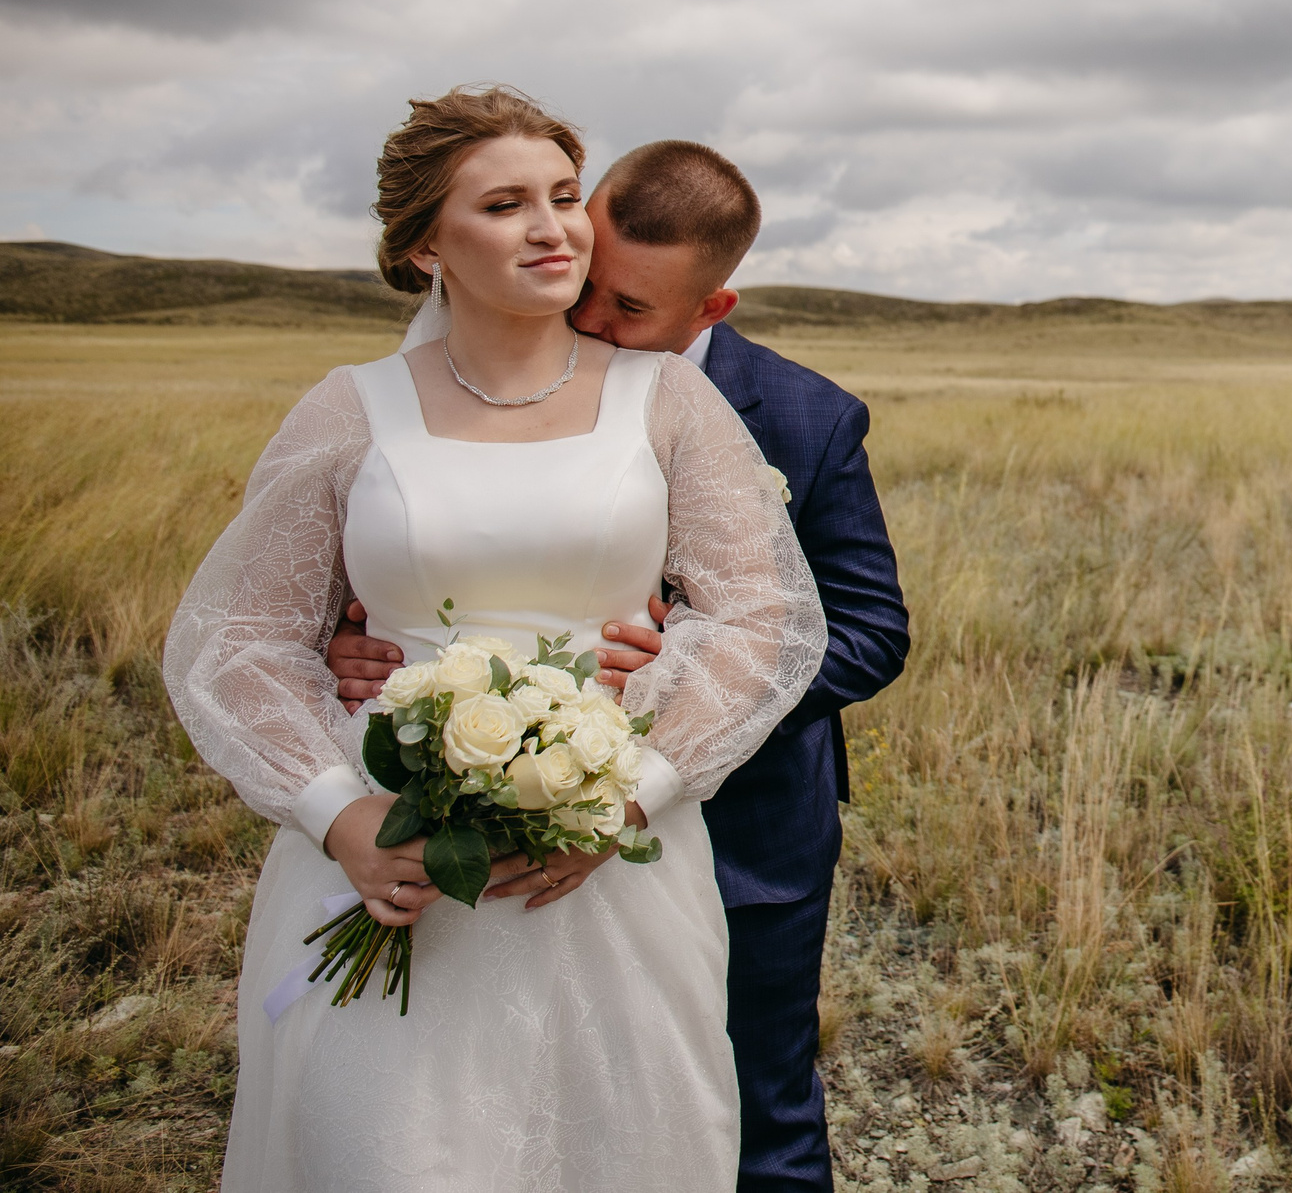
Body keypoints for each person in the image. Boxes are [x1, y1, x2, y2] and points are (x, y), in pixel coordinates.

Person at [166, 86, 827, 1191]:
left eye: (566, 197)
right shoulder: (348, 407)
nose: (552, 227)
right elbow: (238, 637)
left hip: (611, 865)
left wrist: (623, 797)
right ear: (428, 242)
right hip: (392, 849)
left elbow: (761, 618)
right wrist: (345, 820)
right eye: (506, 204)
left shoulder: (666, 399)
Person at [327, 137, 910, 1193]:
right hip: (488, 808)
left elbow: (871, 631)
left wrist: (686, 666)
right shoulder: (467, 375)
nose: (591, 321)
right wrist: (355, 638)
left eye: (630, 311)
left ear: (712, 310)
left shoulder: (809, 417)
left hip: (747, 836)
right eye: (590, 284)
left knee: (752, 1099)